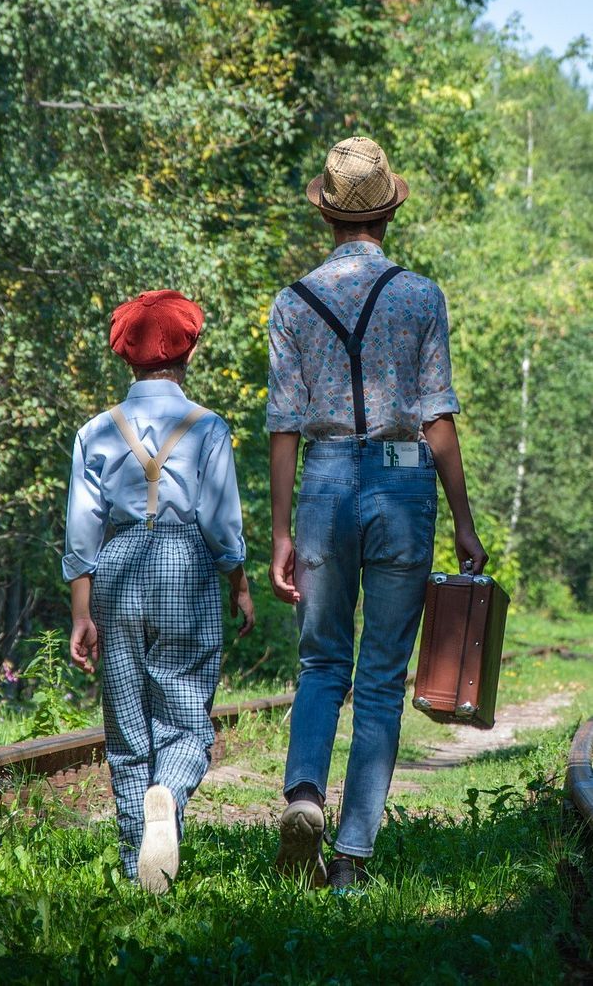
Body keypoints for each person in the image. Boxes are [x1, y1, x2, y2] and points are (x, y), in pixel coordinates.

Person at [267, 135, 487, 890]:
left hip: (324, 480)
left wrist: (280, 531)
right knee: (383, 674)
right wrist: (461, 519)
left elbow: (283, 425)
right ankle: (352, 860)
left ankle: (303, 795)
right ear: (389, 210)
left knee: (320, 660)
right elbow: (437, 417)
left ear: (326, 214)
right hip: (401, 483)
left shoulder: (291, 303)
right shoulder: (420, 296)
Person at [63, 288, 254, 892]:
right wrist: (240, 586)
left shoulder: (95, 431)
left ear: (126, 356)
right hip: (187, 565)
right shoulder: (208, 428)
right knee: (187, 715)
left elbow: (81, 527)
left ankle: (134, 866)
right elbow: (222, 522)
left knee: (125, 725)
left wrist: (81, 612)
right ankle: (167, 796)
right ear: (188, 351)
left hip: (117, 568)